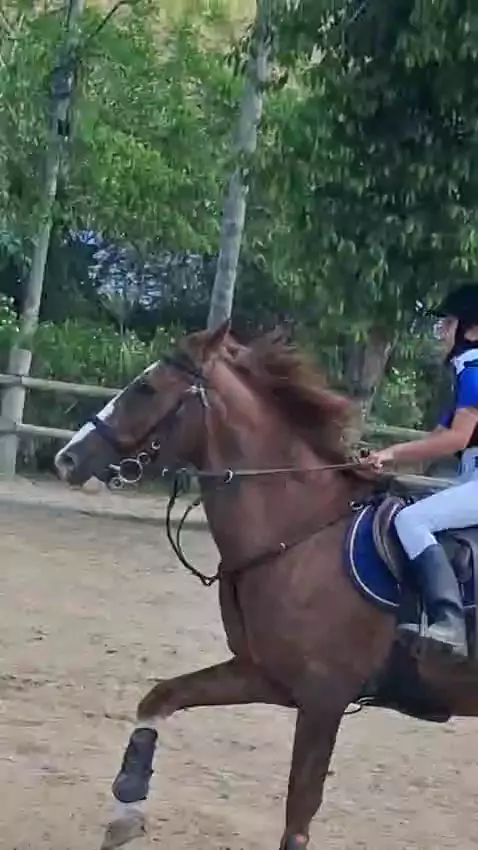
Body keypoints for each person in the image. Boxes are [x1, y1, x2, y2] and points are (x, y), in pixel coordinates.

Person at [364, 284, 478, 658]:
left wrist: (392, 452)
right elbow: (440, 437)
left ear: (472, 330)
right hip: (470, 477)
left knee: (411, 520)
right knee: (408, 504)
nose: (441, 331)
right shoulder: (466, 372)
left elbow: (457, 439)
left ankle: (450, 621)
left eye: (448, 323)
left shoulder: (475, 371)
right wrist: (385, 459)